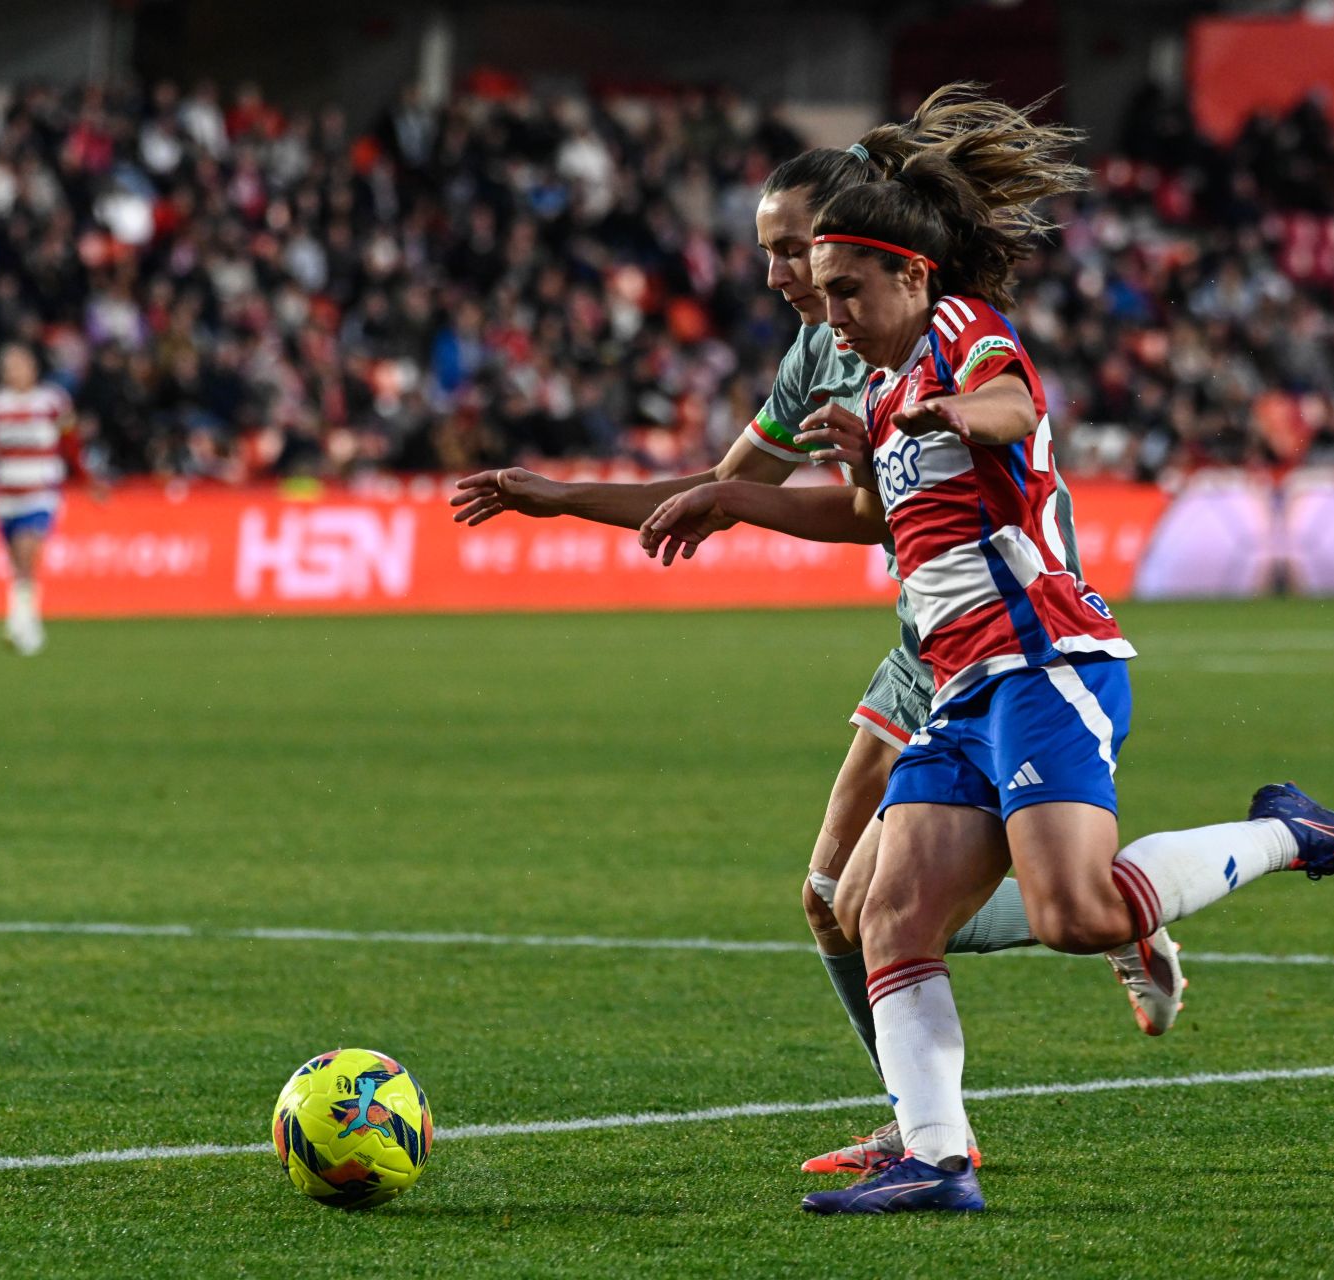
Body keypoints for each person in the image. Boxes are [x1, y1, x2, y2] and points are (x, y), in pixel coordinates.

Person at [641, 141, 1334, 1216]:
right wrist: (732, 498)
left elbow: (1010, 404)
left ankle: (1294, 831)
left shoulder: (961, 333)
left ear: (912, 271)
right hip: (958, 692)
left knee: (1074, 914)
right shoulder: (884, 388)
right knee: (883, 918)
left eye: (849, 290)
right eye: (824, 296)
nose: (835, 314)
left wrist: (955, 414)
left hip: (1047, 665)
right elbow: (859, 518)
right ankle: (938, 1156)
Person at [449, 88, 1186, 1178]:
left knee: (901, 899)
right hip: (922, 643)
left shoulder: (933, 320)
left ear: (862, 240)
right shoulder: (818, 349)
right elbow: (725, 488)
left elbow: (932, 468)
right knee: (832, 897)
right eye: (769, 255)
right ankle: (921, 1113)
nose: (779, 275)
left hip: (1009, 628)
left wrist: (895, 445)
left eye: (793, 249)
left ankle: (1101, 924)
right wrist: (563, 494)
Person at [0, 343, 94, 655]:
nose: (13, 372)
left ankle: (16, 620)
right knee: (17, 564)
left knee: (26, 553)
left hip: (40, 493)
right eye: (8, 367)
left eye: (18, 365)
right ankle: (30, 626)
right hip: (7, 494)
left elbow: (70, 441)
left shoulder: (52, 402)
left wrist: (85, 478)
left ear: (32, 368)